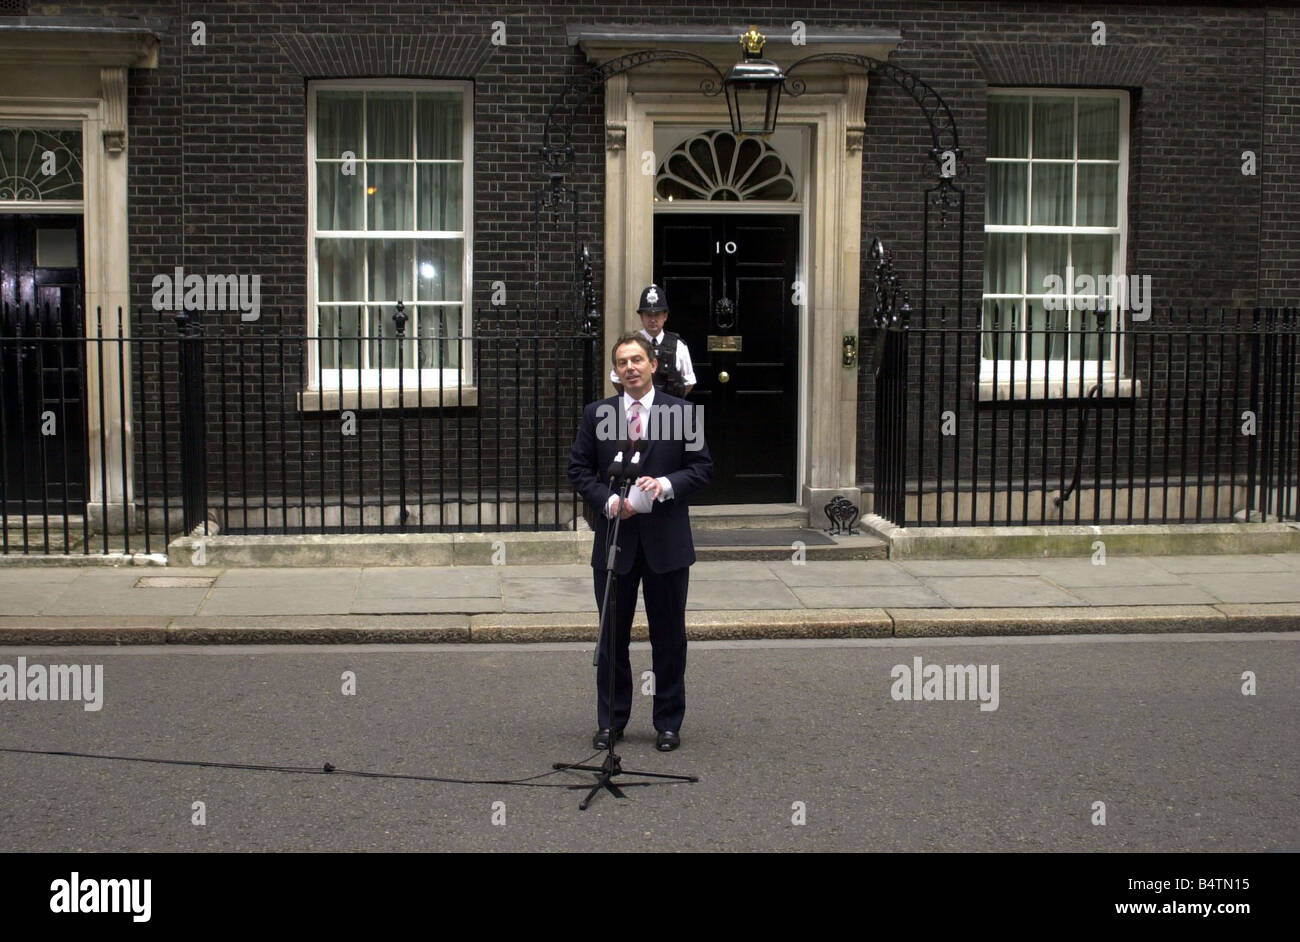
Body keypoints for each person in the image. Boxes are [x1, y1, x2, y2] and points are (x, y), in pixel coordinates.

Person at [569, 332, 712, 752]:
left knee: (669, 637)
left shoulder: (682, 413)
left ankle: (668, 722)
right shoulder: (598, 414)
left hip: (666, 544)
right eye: (621, 362)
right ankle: (612, 721)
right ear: (616, 372)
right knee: (612, 637)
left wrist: (664, 484)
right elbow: (578, 469)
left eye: (636, 359)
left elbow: (702, 469)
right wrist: (609, 501)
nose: (629, 367)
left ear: (652, 364)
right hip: (616, 543)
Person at [610, 283, 696, 398]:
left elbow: (689, 381)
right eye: (648, 315)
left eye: (657, 315)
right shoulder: (629, 343)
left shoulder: (678, 345)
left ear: (665, 316)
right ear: (641, 317)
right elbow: (616, 378)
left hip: (668, 410)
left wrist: (673, 402)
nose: (653, 319)